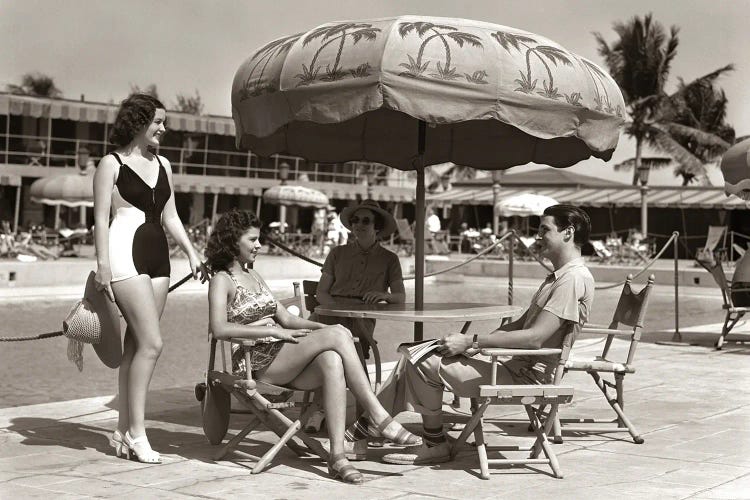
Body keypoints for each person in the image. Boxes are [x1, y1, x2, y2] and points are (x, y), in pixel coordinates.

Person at [343, 204, 594, 465]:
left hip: (526, 376)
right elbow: (520, 324)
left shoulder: (572, 280)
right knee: (415, 352)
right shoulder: (559, 277)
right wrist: (473, 345)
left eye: (545, 229)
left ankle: (425, 441)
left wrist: (473, 341)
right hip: (512, 364)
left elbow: (535, 338)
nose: (538, 236)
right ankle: (374, 425)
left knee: (423, 361)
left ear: (568, 233)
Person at [205, 209, 420, 484]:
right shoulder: (222, 280)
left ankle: (338, 457)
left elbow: (286, 317)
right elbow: (219, 328)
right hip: (255, 359)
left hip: (281, 353)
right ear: (234, 241)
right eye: (253, 239)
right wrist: (278, 333)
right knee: (339, 336)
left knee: (332, 357)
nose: (259, 245)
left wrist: (324, 329)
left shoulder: (255, 276)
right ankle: (379, 416)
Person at [93, 93, 206, 464]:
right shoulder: (110, 164)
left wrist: (191, 252)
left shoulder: (164, 164)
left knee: (136, 346)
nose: (164, 128)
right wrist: (102, 265)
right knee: (153, 344)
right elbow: (100, 220)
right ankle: (139, 434)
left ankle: (123, 431)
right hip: (124, 256)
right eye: (158, 121)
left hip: (160, 260)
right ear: (139, 122)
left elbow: (171, 215)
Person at [316, 199, 405, 360]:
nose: (359, 224)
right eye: (355, 220)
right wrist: (337, 312)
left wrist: (385, 295)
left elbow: (400, 297)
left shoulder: (390, 259)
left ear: (376, 226)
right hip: (329, 314)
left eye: (366, 221)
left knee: (348, 344)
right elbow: (321, 292)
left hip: (362, 321)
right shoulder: (337, 253)